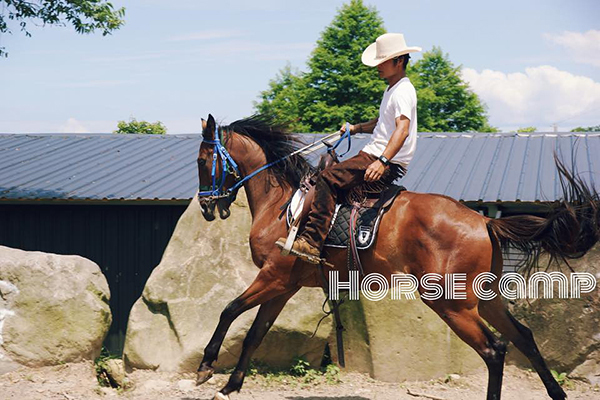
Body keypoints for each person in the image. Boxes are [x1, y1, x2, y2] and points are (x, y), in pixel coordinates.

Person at [276, 32, 420, 263]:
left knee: (326, 179)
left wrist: (382, 161)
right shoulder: (392, 89)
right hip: (373, 154)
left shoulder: (403, 90)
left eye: (383, 61)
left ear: (399, 61)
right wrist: (356, 128)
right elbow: (382, 123)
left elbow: (402, 129)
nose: (378, 67)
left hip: (381, 158)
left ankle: (312, 242)